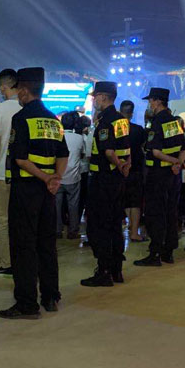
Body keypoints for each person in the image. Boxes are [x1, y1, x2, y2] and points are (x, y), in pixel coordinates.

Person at [0, 67, 68, 318]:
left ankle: (27, 303)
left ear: (25, 91)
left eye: (19, 89)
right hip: (48, 192)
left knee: (24, 246)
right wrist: (55, 178)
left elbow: (20, 159)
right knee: (46, 244)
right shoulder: (53, 120)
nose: (18, 94)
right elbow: (63, 154)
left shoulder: (22, 118)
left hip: (26, 190)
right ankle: (50, 297)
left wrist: (46, 177)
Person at [82, 81, 131, 287]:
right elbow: (126, 149)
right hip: (118, 180)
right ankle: (116, 270)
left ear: (103, 97)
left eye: (95, 97)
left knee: (99, 225)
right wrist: (125, 167)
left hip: (103, 180)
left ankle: (103, 271)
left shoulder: (105, 121)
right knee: (115, 224)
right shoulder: (122, 120)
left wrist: (118, 165)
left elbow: (109, 152)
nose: (94, 101)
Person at [135, 87, 183, 267]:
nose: (149, 104)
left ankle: (155, 253)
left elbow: (155, 152)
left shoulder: (157, 122)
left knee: (155, 213)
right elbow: (183, 148)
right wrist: (178, 163)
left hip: (157, 175)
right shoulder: (174, 122)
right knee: (170, 212)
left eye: (150, 101)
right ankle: (168, 252)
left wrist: (173, 161)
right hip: (173, 176)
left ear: (157, 101)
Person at [0, 69, 21, 276]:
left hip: (2, 172)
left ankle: (7, 262)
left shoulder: (0, 109)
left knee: (5, 219)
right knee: (21, 219)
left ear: (2, 87)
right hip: (24, 173)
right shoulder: (26, 106)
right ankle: (23, 259)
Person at [56, 111, 85, 239]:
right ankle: (73, 231)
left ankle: (57, 230)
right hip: (73, 177)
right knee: (73, 205)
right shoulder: (79, 138)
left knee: (56, 205)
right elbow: (83, 154)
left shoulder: (57, 137)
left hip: (58, 176)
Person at [122, 100, 146, 242]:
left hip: (120, 169)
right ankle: (134, 232)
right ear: (132, 113)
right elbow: (143, 147)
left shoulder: (116, 129)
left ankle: (130, 224)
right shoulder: (138, 130)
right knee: (135, 202)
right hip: (136, 169)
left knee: (125, 201)